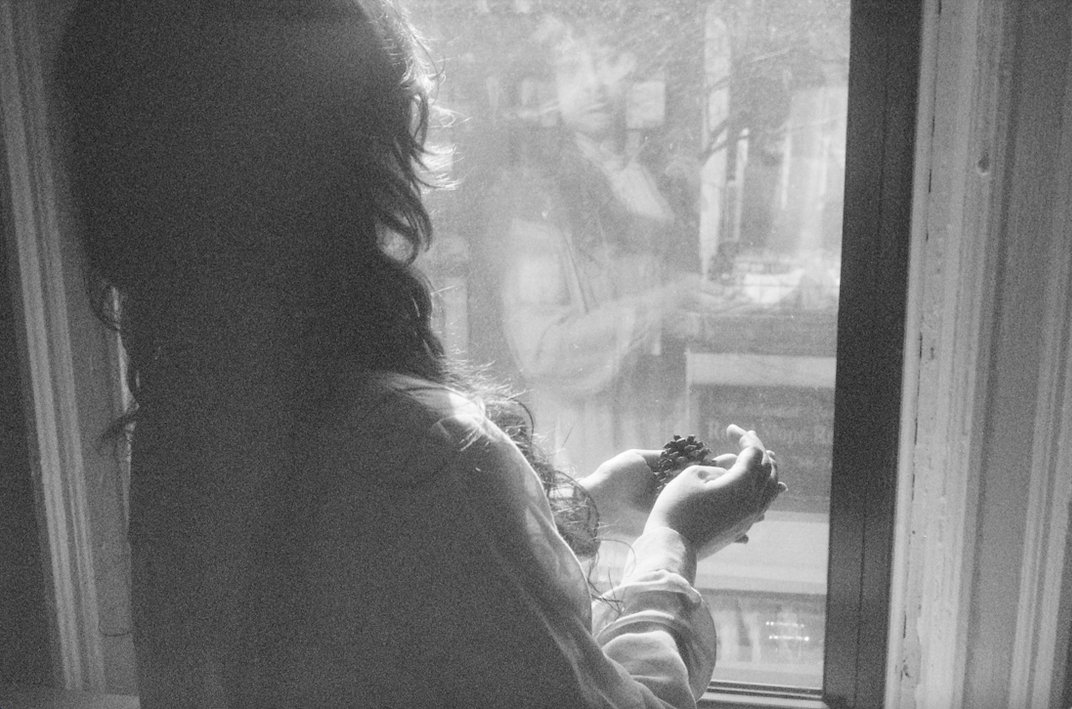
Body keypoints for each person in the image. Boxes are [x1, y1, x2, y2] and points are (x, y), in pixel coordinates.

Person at [60, 1, 785, 707]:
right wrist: (671, 545)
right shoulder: (427, 452)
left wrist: (583, 506)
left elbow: (386, 592)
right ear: (359, 155)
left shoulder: (188, 426)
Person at [498, 15, 712, 478]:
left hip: (659, 421)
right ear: (551, 88)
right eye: (573, 68)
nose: (594, 84)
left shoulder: (656, 183)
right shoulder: (539, 198)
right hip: (587, 440)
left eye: (608, 62)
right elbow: (543, 349)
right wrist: (663, 305)